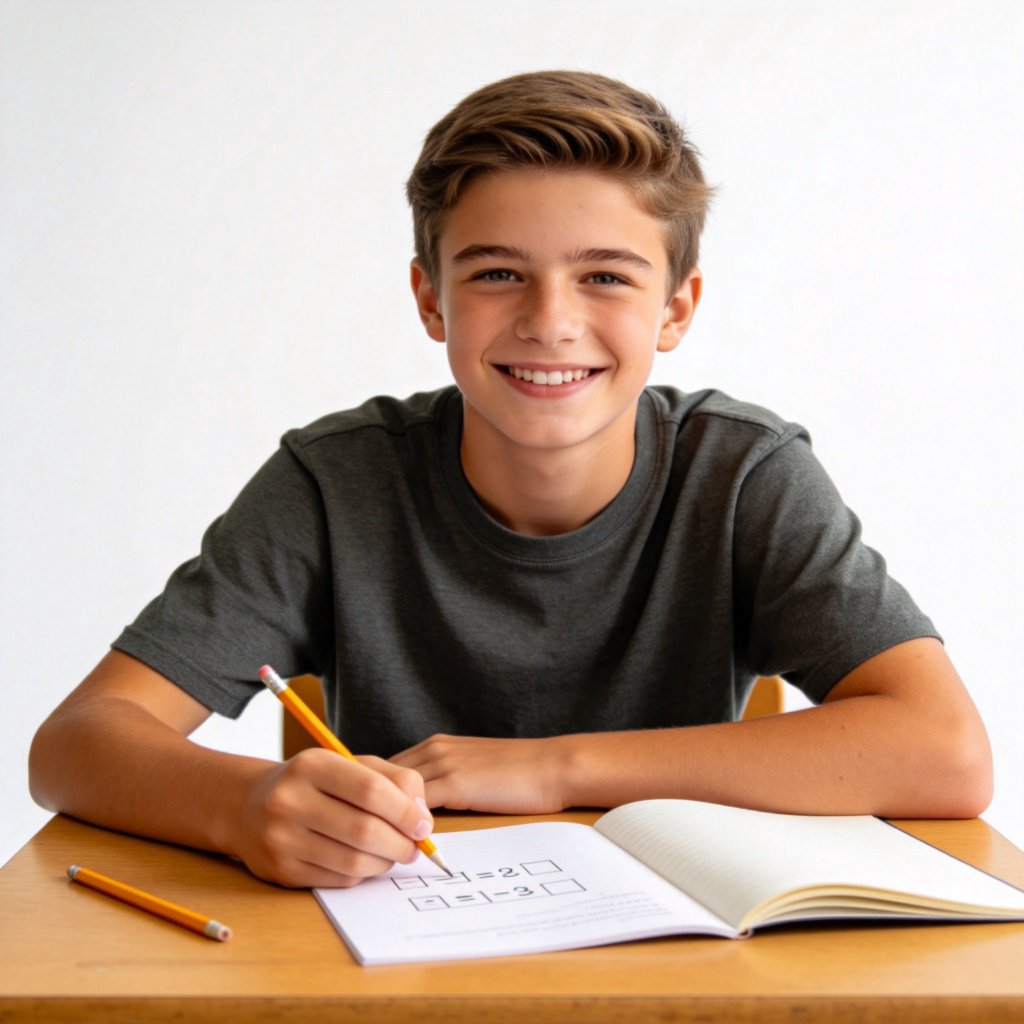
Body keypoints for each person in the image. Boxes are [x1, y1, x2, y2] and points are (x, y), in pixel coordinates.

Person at [29, 71, 992, 889]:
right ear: (429, 298)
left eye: (606, 277)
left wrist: (552, 768)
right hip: (394, 944)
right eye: (495, 274)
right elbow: (75, 743)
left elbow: (944, 751)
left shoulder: (744, 474)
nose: (550, 320)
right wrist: (243, 805)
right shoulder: (334, 483)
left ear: (676, 308)